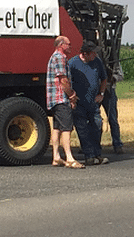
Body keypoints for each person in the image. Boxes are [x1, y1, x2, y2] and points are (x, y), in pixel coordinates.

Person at [46, 36, 85, 169]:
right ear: (61, 45)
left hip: (53, 99)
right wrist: (72, 95)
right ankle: (69, 158)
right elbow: (63, 80)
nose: (70, 46)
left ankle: (56, 156)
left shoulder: (54, 57)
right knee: (66, 128)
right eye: (68, 44)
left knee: (57, 128)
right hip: (61, 98)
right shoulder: (60, 58)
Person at [69, 40, 109, 166]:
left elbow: (104, 78)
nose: (95, 55)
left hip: (93, 102)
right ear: (85, 54)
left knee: (97, 125)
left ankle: (97, 153)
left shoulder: (97, 62)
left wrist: (101, 94)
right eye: (93, 53)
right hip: (79, 103)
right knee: (83, 130)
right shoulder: (73, 63)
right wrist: (71, 97)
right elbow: (67, 81)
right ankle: (89, 156)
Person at [101, 61, 124, 154]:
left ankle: (117, 144)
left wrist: (113, 78)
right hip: (96, 90)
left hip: (110, 91)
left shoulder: (115, 62)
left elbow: (121, 76)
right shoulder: (94, 60)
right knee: (93, 119)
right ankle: (92, 145)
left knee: (113, 119)